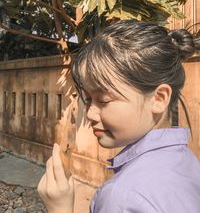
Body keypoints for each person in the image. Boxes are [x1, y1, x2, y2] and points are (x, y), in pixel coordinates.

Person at [37, 20, 200, 213]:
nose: (90, 114)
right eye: (88, 100)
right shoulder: (185, 161)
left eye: (103, 100)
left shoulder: (123, 196)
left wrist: (60, 209)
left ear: (159, 98)